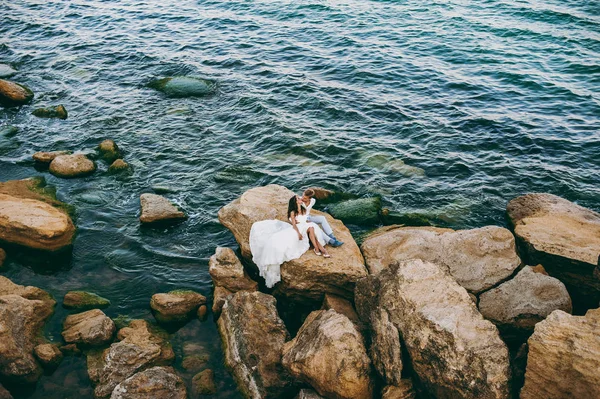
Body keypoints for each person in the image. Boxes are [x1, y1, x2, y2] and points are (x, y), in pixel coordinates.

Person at [249, 196, 330, 288]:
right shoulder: (293, 212)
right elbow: (294, 225)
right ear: (295, 202)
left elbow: (313, 201)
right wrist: (299, 234)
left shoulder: (303, 209)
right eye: (298, 199)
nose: (300, 199)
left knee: (311, 227)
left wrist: (304, 198)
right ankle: (320, 249)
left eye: (300, 198)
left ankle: (317, 248)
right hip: (298, 228)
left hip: (306, 226)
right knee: (311, 229)